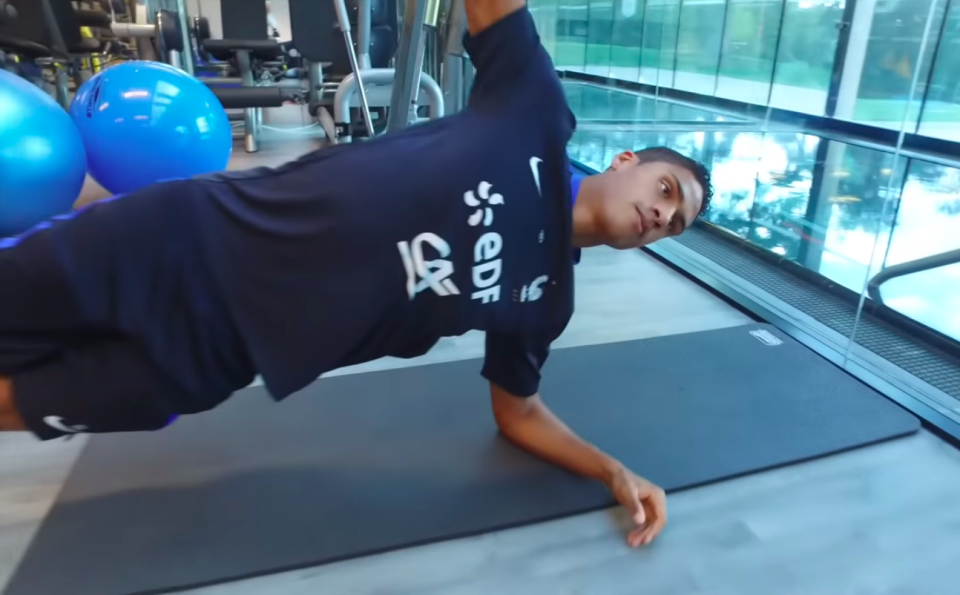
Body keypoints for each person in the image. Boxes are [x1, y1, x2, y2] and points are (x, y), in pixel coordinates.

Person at [0, 0, 711, 549]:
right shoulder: (535, 113)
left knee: (17, 401)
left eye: (673, 223)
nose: (661, 214)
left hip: (212, 355)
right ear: (627, 164)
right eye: (668, 190)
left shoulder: (545, 301)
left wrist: (610, 469)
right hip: (182, 238)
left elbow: (517, 412)